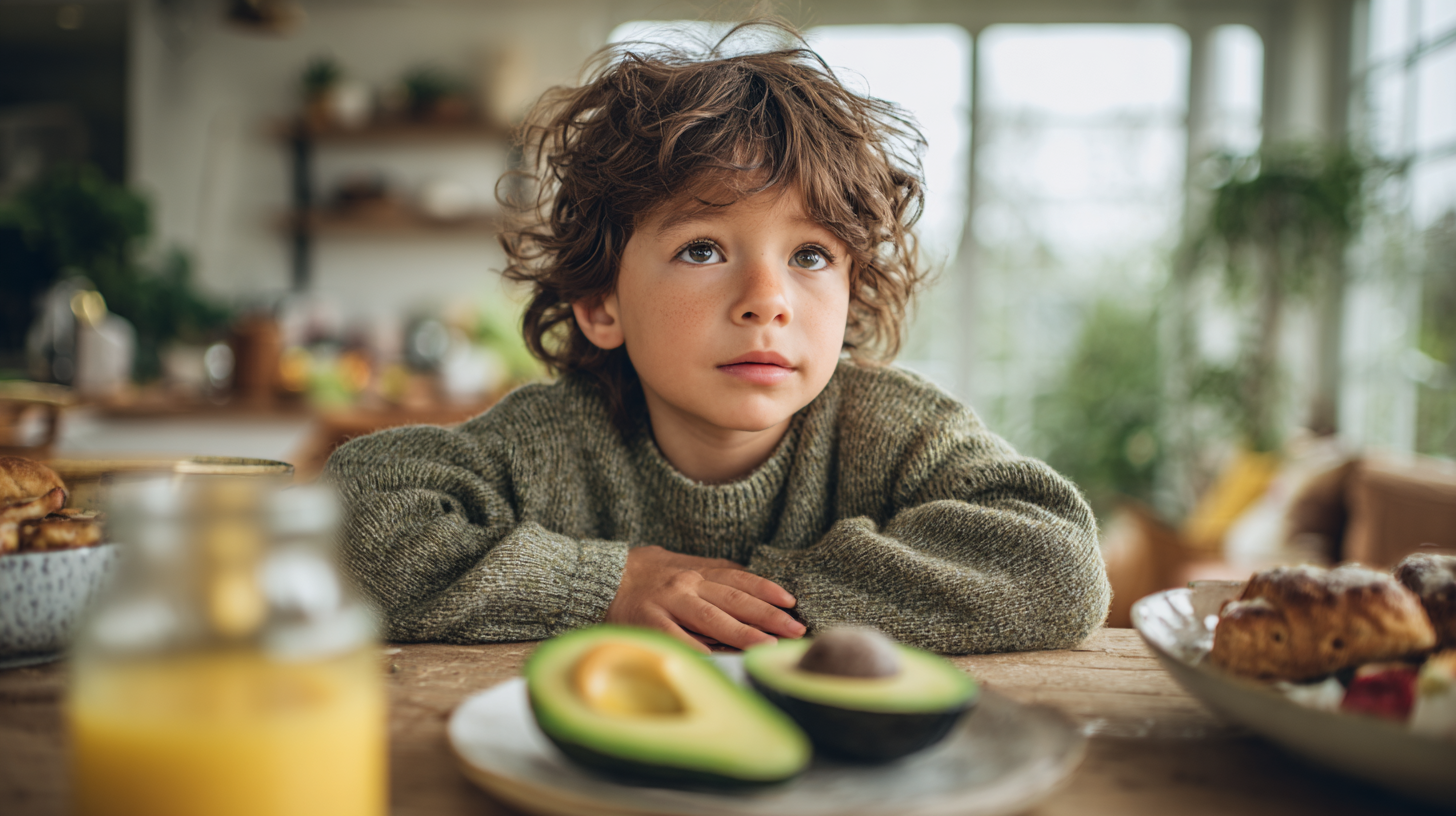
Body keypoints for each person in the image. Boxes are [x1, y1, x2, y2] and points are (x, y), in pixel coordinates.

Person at [325, 21, 1110, 655]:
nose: (767, 302)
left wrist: (747, 597)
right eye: (702, 249)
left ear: (851, 291)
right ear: (602, 303)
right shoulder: (553, 441)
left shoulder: (895, 430)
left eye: (810, 256)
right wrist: (611, 582)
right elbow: (349, 515)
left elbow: (1058, 564)